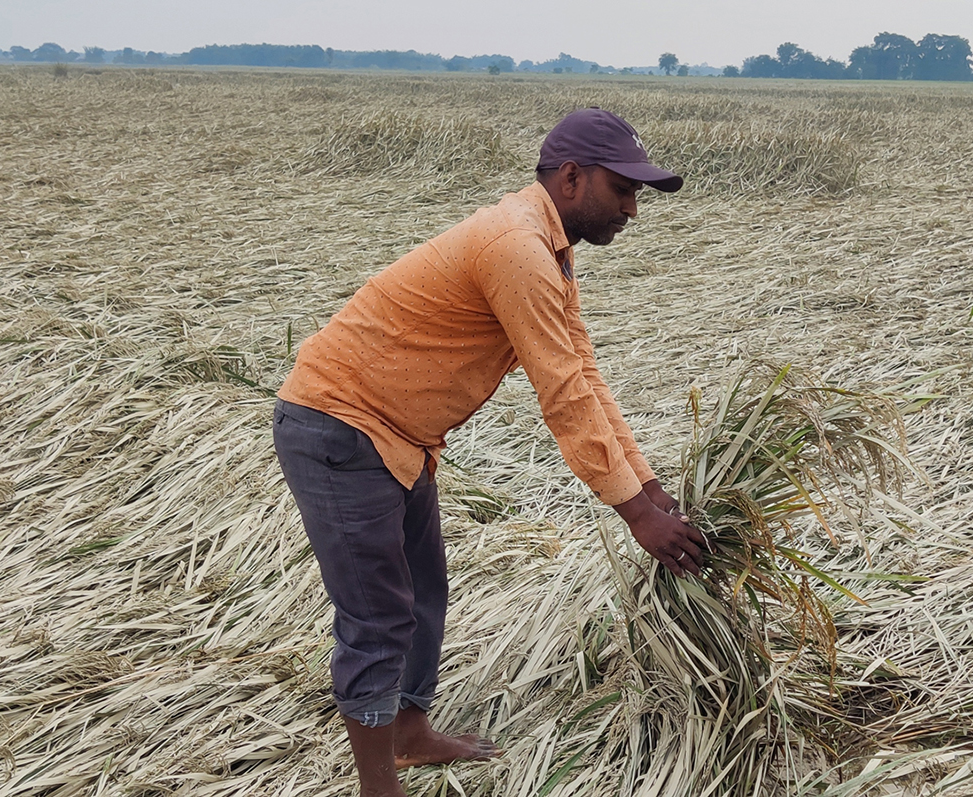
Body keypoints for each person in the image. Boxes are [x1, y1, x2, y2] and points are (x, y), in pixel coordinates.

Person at [272, 108, 706, 797]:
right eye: (623, 189)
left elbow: (584, 375)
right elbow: (562, 397)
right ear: (571, 177)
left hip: (397, 437)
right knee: (378, 614)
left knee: (423, 591)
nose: (632, 207)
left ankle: (410, 734)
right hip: (340, 427)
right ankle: (377, 786)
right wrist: (634, 514)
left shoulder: (547, 250)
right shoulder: (516, 249)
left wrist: (650, 488)